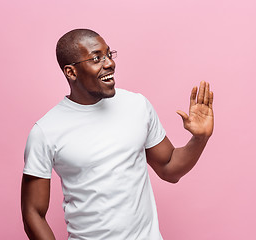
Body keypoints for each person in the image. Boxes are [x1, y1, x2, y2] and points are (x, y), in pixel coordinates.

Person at [21, 29, 214, 240]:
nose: (109, 63)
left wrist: (200, 138)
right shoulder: (46, 131)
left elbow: (169, 169)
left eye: (109, 55)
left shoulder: (137, 105)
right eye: (96, 58)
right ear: (71, 72)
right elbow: (33, 212)